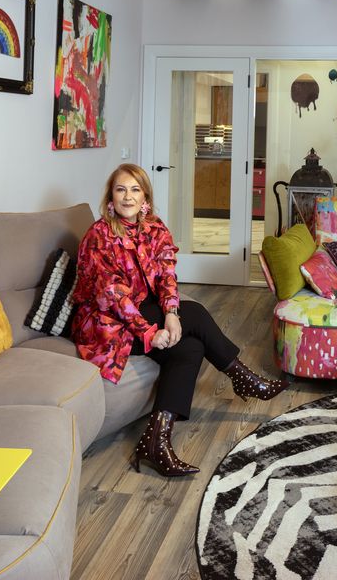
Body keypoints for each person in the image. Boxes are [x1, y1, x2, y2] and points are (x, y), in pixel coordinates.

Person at [72, 163, 289, 476]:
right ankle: (244, 379)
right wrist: (149, 333)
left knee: (190, 348)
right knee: (197, 314)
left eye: (135, 189)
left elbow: (166, 275)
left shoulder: (154, 228)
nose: (128, 197)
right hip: (105, 321)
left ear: (145, 196)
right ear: (110, 197)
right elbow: (113, 297)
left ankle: (156, 442)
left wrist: (172, 313)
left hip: (140, 307)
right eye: (121, 189)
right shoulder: (99, 236)